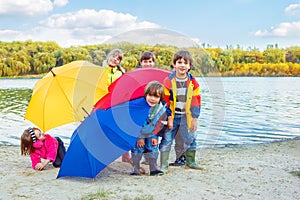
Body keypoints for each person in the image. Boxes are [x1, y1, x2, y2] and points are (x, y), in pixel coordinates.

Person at [159, 50, 203, 172]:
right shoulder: (168, 81)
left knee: (191, 137)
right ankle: (163, 164)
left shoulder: (193, 83)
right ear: (174, 64)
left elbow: (196, 101)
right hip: (173, 116)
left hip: (187, 117)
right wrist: (169, 118)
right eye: (179, 62)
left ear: (189, 66)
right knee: (167, 138)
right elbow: (166, 102)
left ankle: (191, 161)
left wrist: (195, 118)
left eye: (185, 63)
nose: (182, 65)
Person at [130, 81, 166, 176]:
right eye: (150, 95)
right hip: (139, 132)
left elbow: (160, 123)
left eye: (156, 97)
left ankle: (153, 168)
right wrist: (140, 137)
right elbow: (136, 123)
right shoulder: (140, 107)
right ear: (145, 95)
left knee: (153, 148)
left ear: (160, 98)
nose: (153, 99)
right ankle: (136, 168)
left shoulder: (161, 108)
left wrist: (155, 136)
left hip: (152, 132)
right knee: (138, 148)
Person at [103, 48, 132, 163]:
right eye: (113, 56)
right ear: (108, 56)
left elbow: (125, 88)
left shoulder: (121, 73)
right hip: (103, 104)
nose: (115, 59)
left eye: (118, 59)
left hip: (118, 104)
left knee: (122, 128)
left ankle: (126, 154)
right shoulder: (100, 71)